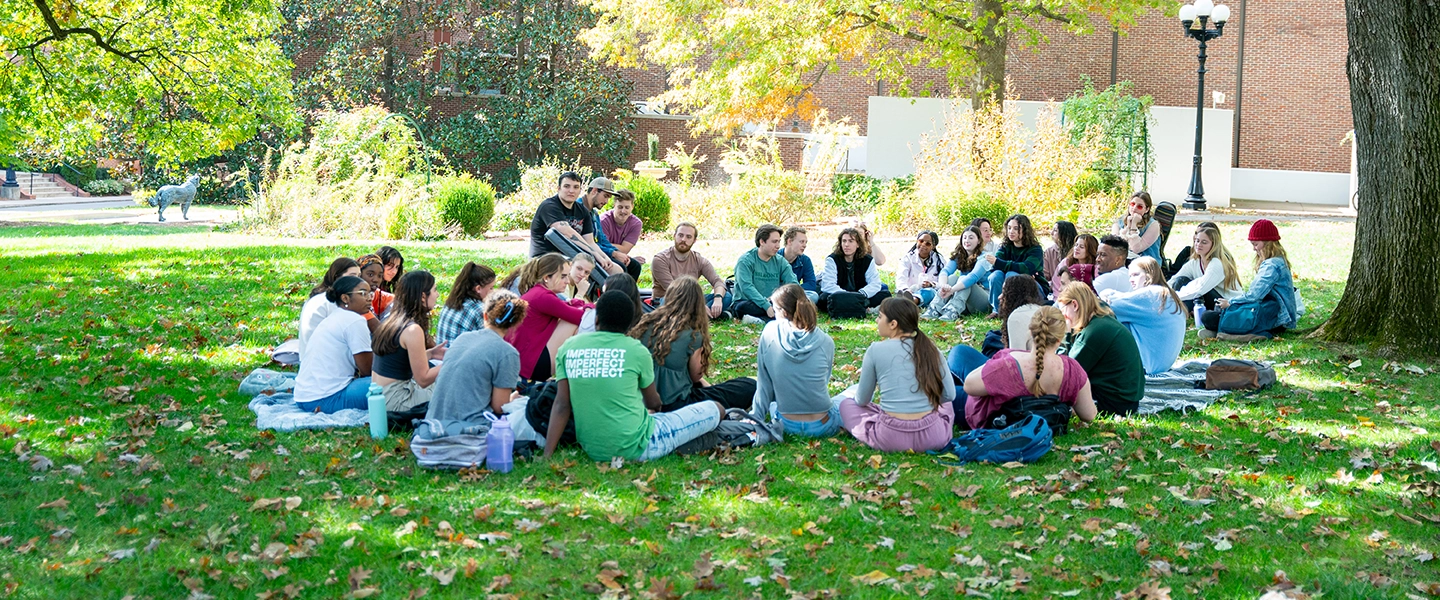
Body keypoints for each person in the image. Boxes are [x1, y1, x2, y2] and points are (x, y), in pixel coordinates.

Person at [542, 291, 725, 462]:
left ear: (596, 319)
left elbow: (561, 405)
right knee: (715, 408)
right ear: (630, 324)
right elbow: (653, 403)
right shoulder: (636, 350)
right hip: (639, 444)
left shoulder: (569, 347)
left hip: (592, 448)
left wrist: (547, 454)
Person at [837, 298, 956, 453]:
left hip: (890, 437)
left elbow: (862, 400)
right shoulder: (931, 349)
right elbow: (949, 395)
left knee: (847, 405)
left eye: (880, 316)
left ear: (893, 324)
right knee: (947, 406)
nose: (876, 320)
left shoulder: (875, 350)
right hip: (933, 436)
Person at [632, 277, 756, 412]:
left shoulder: (644, 325)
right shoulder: (692, 335)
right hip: (677, 403)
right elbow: (696, 375)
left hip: (640, 399)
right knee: (748, 385)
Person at [962, 307, 1097, 430]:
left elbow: (969, 386)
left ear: (1031, 331)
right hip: (1040, 418)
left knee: (960, 353)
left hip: (989, 417)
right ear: (1060, 338)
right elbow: (1089, 414)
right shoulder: (1072, 370)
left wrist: (994, 362)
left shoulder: (1008, 365)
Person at [425, 291, 527, 426]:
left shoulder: (463, 338)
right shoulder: (507, 353)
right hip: (471, 428)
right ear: (516, 323)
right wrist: (512, 399)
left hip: (431, 424)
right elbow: (500, 407)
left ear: (485, 315)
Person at [1199, 219, 1304, 342]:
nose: (1254, 249)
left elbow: (1254, 296)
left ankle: (1225, 331)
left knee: (1208, 316)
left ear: (1268, 243)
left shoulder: (1272, 265)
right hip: (1268, 313)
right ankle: (1224, 330)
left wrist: (1230, 303)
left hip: (1271, 317)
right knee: (1218, 311)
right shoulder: (1278, 260)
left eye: (1256, 244)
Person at [756, 284, 839, 437]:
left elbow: (763, 384)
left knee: (774, 404)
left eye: (774, 310)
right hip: (823, 423)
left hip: (786, 424)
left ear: (783, 312)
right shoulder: (826, 341)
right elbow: (823, 380)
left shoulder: (769, 332)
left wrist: (756, 419)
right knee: (848, 396)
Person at [1055, 283, 1144, 416]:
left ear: (1075, 305)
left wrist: (1065, 335)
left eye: (1063, 311)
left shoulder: (1094, 331)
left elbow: (1066, 372)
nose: (1064, 317)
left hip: (1115, 403)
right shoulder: (1103, 320)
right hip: (1127, 398)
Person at [293, 276, 374, 413]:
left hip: (303, 398)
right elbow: (367, 370)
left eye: (369, 293)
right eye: (362, 293)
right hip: (326, 399)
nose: (369, 298)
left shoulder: (335, 317)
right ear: (345, 298)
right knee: (393, 384)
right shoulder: (354, 321)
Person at [371, 271, 447, 413]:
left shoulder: (393, 320)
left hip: (382, 398)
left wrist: (430, 354)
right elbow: (423, 379)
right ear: (423, 297)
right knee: (453, 387)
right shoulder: (412, 330)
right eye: (435, 290)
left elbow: (398, 362)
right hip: (397, 402)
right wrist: (453, 362)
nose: (437, 295)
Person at [509, 254, 593, 382]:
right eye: (563, 276)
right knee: (576, 322)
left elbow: (567, 306)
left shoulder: (539, 292)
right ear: (547, 278)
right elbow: (581, 318)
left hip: (526, 361)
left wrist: (586, 305)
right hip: (532, 365)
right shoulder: (543, 297)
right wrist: (591, 307)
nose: (567, 281)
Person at [1101, 257, 1187, 375]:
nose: (1131, 280)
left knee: (1103, 320)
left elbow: (1107, 306)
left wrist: (1105, 293)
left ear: (1149, 275)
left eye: (1136, 275)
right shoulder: (1166, 294)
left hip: (1147, 365)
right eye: (1130, 276)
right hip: (1160, 364)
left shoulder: (1151, 294)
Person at [528, 172, 622, 276]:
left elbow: (590, 242)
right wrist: (593, 254)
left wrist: (605, 258)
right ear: (559, 188)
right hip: (544, 259)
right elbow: (567, 233)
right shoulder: (549, 206)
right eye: (567, 186)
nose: (571, 191)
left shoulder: (583, 211)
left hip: (571, 258)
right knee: (574, 270)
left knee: (616, 270)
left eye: (576, 187)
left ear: (580, 190)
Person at [650, 222, 731, 319]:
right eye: (680, 235)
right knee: (670, 302)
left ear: (694, 240)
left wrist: (717, 299)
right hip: (668, 300)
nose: (683, 239)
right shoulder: (660, 259)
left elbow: (718, 282)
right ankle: (704, 316)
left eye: (688, 237)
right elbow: (673, 290)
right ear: (674, 236)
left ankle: (698, 316)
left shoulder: (699, 260)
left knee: (726, 297)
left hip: (691, 300)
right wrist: (698, 305)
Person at [1167, 224, 1243, 313]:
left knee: (1198, 291)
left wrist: (1175, 296)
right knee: (1180, 280)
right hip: (1206, 296)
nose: (1199, 244)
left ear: (1213, 245)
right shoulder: (1194, 262)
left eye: (1204, 242)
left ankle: (1180, 311)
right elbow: (1174, 279)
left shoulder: (1217, 263)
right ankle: (1179, 311)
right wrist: (1160, 294)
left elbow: (1201, 288)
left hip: (1227, 303)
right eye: (1197, 241)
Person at [733, 224, 799, 324]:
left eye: (779, 241)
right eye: (774, 242)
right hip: (750, 301)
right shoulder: (745, 261)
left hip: (774, 302)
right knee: (741, 307)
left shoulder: (780, 261)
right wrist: (766, 305)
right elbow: (746, 287)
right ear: (762, 242)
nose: (778, 246)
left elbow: (793, 283)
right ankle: (778, 317)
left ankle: (762, 320)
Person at [983, 215, 1046, 316]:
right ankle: (997, 310)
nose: (1011, 231)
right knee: (995, 275)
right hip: (1013, 282)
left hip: (1035, 288)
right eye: (1009, 228)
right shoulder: (1005, 247)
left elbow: (1026, 268)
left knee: (1012, 275)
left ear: (1025, 230)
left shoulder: (1035, 249)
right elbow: (996, 266)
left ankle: (1012, 310)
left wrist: (1000, 263)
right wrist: (1000, 264)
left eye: (1016, 228)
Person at [819, 227, 892, 315]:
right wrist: (848, 296)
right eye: (844, 241)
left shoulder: (867, 260)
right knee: (824, 298)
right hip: (841, 295)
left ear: (858, 244)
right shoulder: (832, 259)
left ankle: (852, 307)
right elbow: (828, 285)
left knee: (885, 295)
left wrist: (860, 294)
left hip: (860, 294)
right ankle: (862, 307)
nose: (846, 244)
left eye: (850, 241)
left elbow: (875, 283)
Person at [300, 257, 361, 360]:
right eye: (352, 276)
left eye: (359, 276)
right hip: (321, 363)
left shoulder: (320, 297)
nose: (357, 281)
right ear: (337, 277)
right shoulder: (331, 302)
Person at [925, 226, 991, 320]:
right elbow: (945, 271)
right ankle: (935, 307)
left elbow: (973, 277)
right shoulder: (959, 256)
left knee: (964, 278)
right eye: (964, 238)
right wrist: (943, 286)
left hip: (982, 300)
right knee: (952, 278)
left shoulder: (985, 258)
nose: (967, 240)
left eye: (971, 238)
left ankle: (953, 310)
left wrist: (952, 290)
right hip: (964, 299)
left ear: (979, 241)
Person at [436, 262, 496, 346]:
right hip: (461, 357)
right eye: (491, 288)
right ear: (478, 288)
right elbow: (489, 341)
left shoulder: (452, 302)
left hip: (441, 355)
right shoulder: (479, 309)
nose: (493, 292)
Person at [599, 189, 646, 280]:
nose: (623, 211)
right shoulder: (603, 220)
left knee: (635, 267)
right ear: (614, 205)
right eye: (620, 207)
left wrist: (611, 246)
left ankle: (629, 293)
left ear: (632, 207)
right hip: (603, 254)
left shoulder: (636, 223)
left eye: (627, 207)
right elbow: (602, 246)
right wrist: (615, 250)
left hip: (620, 254)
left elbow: (625, 249)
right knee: (622, 268)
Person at [896, 230, 944, 307]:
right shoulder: (907, 258)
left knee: (929, 292)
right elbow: (901, 278)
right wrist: (905, 289)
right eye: (921, 241)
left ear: (933, 246)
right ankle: (906, 299)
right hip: (910, 291)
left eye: (928, 243)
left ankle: (911, 301)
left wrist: (932, 284)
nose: (923, 245)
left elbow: (944, 282)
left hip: (929, 292)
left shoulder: (940, 261)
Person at [1112, 191, 1163, 263]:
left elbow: (1135, 249)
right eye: (1132, 204)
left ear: (1147, 209)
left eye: (1139, 206)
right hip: (1123, 262)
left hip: (1146, 265)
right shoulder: (1119, 221)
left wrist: (1133, 225)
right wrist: (1127, 227)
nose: (1134, 208)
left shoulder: (1154, 225)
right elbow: (1114, 245)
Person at [997, 275, 1044, 351]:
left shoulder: (1016, 318)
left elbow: (1016, 358)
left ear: (1014, 295)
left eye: (1004, 292)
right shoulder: (1042, 310)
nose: (999, 297)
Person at [779, 226, 820, 303]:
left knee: (814, 296)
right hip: (777, 293)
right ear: (789, 241)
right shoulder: (775, 258)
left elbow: (811, 284)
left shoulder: (805, 260)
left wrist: (792, 290)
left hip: (795, 293)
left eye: (805, 242)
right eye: (801, 242)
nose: (804, 245)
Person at [1044, 221, 1078, 285]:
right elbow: (1045, 276)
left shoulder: (1076, 251)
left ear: (1064, 234)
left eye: (1055, 230)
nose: (1051, 233)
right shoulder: (1049, 252)